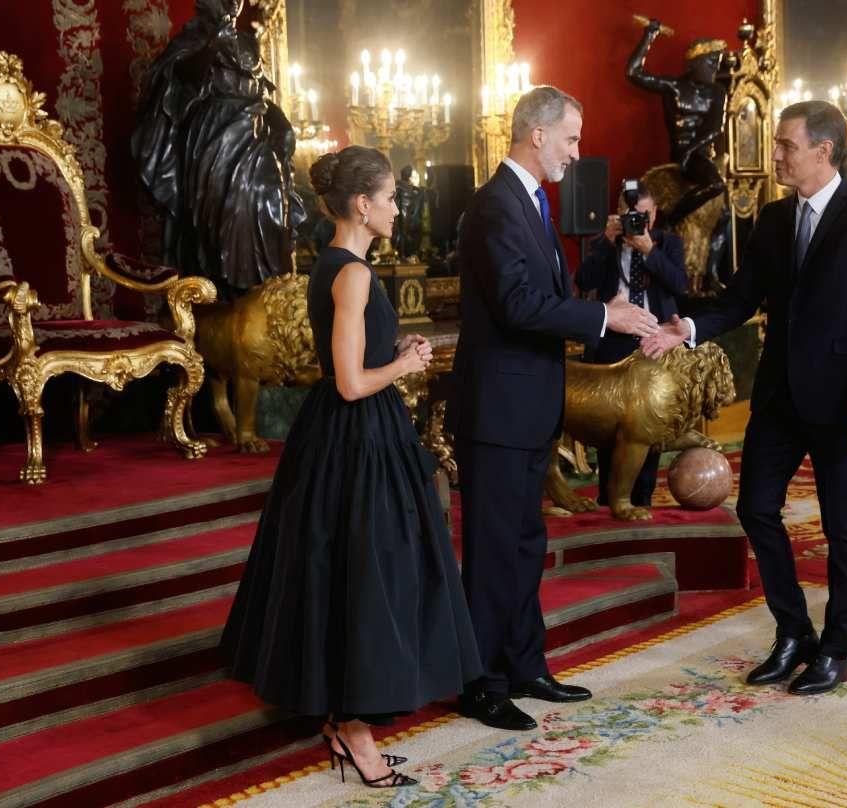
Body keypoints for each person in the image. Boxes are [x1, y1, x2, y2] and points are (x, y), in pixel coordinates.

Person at [221, 146, 481, 788]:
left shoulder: (336, 267)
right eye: (391, 197)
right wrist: (404, 367)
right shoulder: (354, 274)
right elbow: (347, 382)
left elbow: (355, 356)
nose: (399, 207)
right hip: (357, 435)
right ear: (362, 205)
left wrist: (395, 348)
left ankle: (345, 724)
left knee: (354, 574)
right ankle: (357, 731)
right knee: (372, 576)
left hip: (353, 436)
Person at [643, 100, 847, 696]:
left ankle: (835, 650)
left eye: (787, 145)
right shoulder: (770, 219)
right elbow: (740, 300)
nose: (777, 155)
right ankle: (795, 633)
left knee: (845, 528)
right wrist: (682, 328)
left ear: (824, 150)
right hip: (780, 398)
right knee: (756, 508)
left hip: (845, 406)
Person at [448, 86, 659, 731]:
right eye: (571, 136)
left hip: (532, 401)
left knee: (525, 539)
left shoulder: (534, 201)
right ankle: (478, 682)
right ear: (535, 134)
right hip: (498, 408)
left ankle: (524, 664)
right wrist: (604, 314)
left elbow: (547, 296)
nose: (578, 150)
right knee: (492, 547)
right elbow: (517, 305)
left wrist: (612, 314)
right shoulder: (493, 206)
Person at [132, 0, 306, 299]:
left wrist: (282, 126)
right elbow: (180, 79)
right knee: (225, 211)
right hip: (215, 136)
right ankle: (223, 294)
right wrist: (213, 45)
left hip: (255, 135)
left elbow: (264, 94)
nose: (234, 3)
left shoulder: (247, 43)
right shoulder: (193, 40)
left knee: (273, 201)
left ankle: (265, 290)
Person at [575, 179, 687, 507]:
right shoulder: (606, 243)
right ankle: (608, 496)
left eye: (645, 216)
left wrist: (649, 250)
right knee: (609, 425)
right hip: (613, 344)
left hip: (654, 344)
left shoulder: (669, 243)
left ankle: (643, 497)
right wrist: (608, 244)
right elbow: (583, 281)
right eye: (632, 216)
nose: (639, 223)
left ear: (655, 214)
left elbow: (680, 284)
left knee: (647, 425)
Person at [627, 18, 728, 225]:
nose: (714, 70)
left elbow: (716, 128)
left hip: (699, 154)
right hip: (679, 151)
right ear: (694, 63)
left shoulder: (717, 91)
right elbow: (633, 72)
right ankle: (668, 220)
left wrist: (690, 152)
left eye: (716, 65)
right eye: (709, 64)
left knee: (717, 187)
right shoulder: (674, 87)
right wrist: (649, 35)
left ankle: (670, 218)